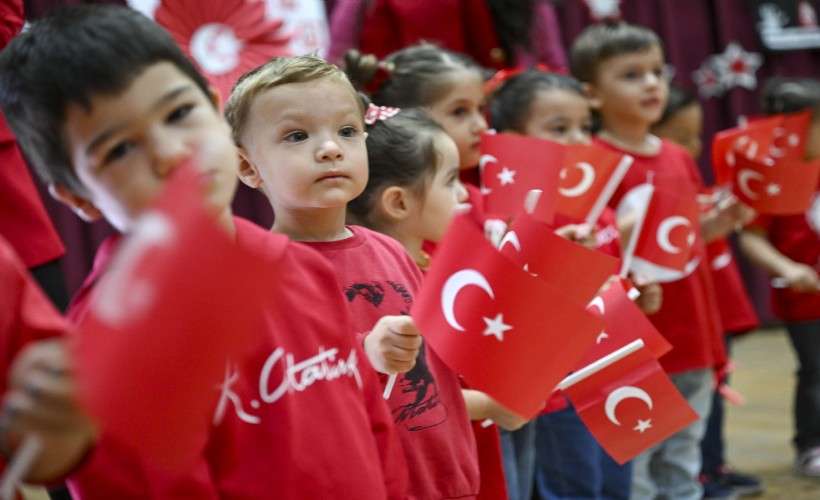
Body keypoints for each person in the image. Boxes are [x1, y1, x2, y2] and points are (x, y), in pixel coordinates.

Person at [0, 5, 408, 497]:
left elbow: (372, 428)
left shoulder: (304, 266)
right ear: (78, 197)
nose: (172, 152)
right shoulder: (116, 348)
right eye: (120, 150)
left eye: (178, 114)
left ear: (215, 108)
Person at [225, 54, 480, 499]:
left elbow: (440, 366)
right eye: (297, 136)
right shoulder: (260, 276)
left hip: (444, 479)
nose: (330, 149)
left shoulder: (390, 250)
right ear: (248, 167)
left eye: (346, 131)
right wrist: (367, 354)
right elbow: (282, 402)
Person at [570, 21, 750, 500]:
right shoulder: (590, 161)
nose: (651, 84)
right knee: (639, 463)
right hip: (630, 343)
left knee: (685, 454)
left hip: (692, 332)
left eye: (656, 71)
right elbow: (592, 254)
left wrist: (720, 223)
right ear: (591, 93)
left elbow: (686, 244)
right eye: (631, 75)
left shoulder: (674, 154)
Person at [488, 68, 663, 500]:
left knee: (616, 484)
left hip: (615, 366)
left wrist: (640, 295)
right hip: (563, 382)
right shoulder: (519, 215)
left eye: (586, 127)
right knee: (575, 486)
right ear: (512, 139)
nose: (580, 140)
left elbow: (610, 281)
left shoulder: (596, 208)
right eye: (559, 128)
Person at [349, 105, 527, 499]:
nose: (465, 193)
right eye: (450, 181)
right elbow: (406, 393)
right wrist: (492, 405)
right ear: (398, 203)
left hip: (462, 457)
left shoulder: (437, 269)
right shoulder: (379, 288)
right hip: (418, 471)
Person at [652, 84, 764, 498]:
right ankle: (704, 473)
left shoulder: (687, 175)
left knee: (700, 414)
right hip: (668, 326)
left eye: (695, 136)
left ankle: (711, 468)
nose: (691, 147)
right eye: (679, 136)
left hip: (706, 320)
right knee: (664, 429)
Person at [739, 77, 820, 479]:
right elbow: (752, 238)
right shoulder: (767, 177)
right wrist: (788, 269)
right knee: (816, 370)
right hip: (803, 300)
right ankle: (811, 444)